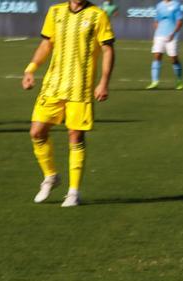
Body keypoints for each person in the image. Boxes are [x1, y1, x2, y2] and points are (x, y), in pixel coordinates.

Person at [22, 0, 115, 207]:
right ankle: (51, 176)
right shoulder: (55, 12)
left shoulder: (97, 15)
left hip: (80, 89)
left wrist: (103, 82)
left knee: (75, 135)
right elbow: (47, 43)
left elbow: (107, 49)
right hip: (53, 86)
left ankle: (73, 192)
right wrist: (31, 69)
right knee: (36, 132)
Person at [148, 0, 183, 90]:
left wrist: (173, 33)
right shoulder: (159, 5)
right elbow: (156, 21)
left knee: (173, 58)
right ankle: (154, 82)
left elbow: (180, 21)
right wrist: (157, 33)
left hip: (172, 35)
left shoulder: (176, 4)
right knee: (157, 55)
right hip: (159, 35)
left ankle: (179, 81)